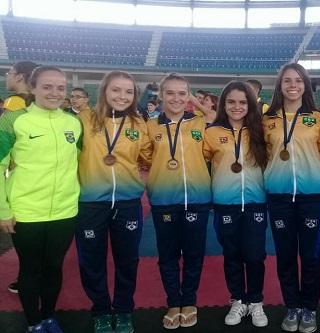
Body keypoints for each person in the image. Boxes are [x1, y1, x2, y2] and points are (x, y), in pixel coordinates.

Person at [0, 65, 82, 333]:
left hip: (65, 210)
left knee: (54, 267)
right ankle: (34, 322)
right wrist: (3, 209)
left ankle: (48, 316)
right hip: (26, 211)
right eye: (47, 86)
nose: (54, 92)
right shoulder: (13, 120)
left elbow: (80, 163)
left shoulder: (73, 122)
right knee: (30, 268)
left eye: (60, 87)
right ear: (32, 88)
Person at [75, 71, 152, 333]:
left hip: (128, 201)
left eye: (129, 92)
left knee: (127, 261)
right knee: (91, 261)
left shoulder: (138, 124)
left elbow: (150, 157)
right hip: (90, 203)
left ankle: (123, 310)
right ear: (104, 91)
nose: (122, 96)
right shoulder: (84, 119)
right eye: (116, 90)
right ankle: (100, 310)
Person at [263, 63, 320, 333]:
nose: (293, 85)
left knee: (311, 256)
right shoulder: (267, 119)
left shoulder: (318, 118)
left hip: (312, 195)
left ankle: (309, 308)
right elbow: (263, 152)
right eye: (287, 80)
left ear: (305, 85)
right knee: (286, 256)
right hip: (278, 195)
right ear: (280, 85)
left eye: (298, 80)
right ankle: (292, 306)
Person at [146, 74, 211, 330]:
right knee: (168, 255)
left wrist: (197, 101)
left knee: (194, 254)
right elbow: (143, 156)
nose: (176, 98)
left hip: (198, 199)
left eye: (182, 93)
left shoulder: (201, 123)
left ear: (189, 96)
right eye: (170, 93)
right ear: (161, 96)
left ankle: (190, 301)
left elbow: (216, 126)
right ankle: (174, 302)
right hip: (163, 199)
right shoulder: (150, 125)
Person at [203, 81, 268, 327]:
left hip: (255, 203)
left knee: (254, 256)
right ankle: (238, 300)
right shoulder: (211, 132)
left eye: (243, 102)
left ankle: (256, 302)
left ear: (250, 104)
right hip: (224, 203)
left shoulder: (260, 131)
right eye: (231, 101)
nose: (237, 106)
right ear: (223, 104)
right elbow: (202, 164)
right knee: (231, 255)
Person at [3, 60, 38, 294]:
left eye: (10, 73)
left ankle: (28, 281)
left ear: (20, 77)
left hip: (21, 178)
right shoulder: (38, 105)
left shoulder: (15, 104)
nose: (7, 76)